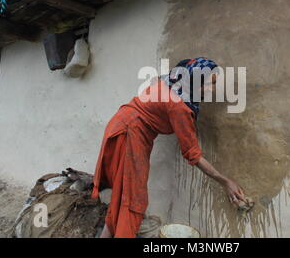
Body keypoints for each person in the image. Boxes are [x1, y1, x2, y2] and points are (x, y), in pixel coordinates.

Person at [91, 57, 246, 238]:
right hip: (129, 134)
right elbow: (193, 155)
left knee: (123, 194)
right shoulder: (180, 106)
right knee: (133, 199)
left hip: (122, 124)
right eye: (209, 84)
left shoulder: (173, 80)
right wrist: (226, 181)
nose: (212, 90)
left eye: (214, 83)